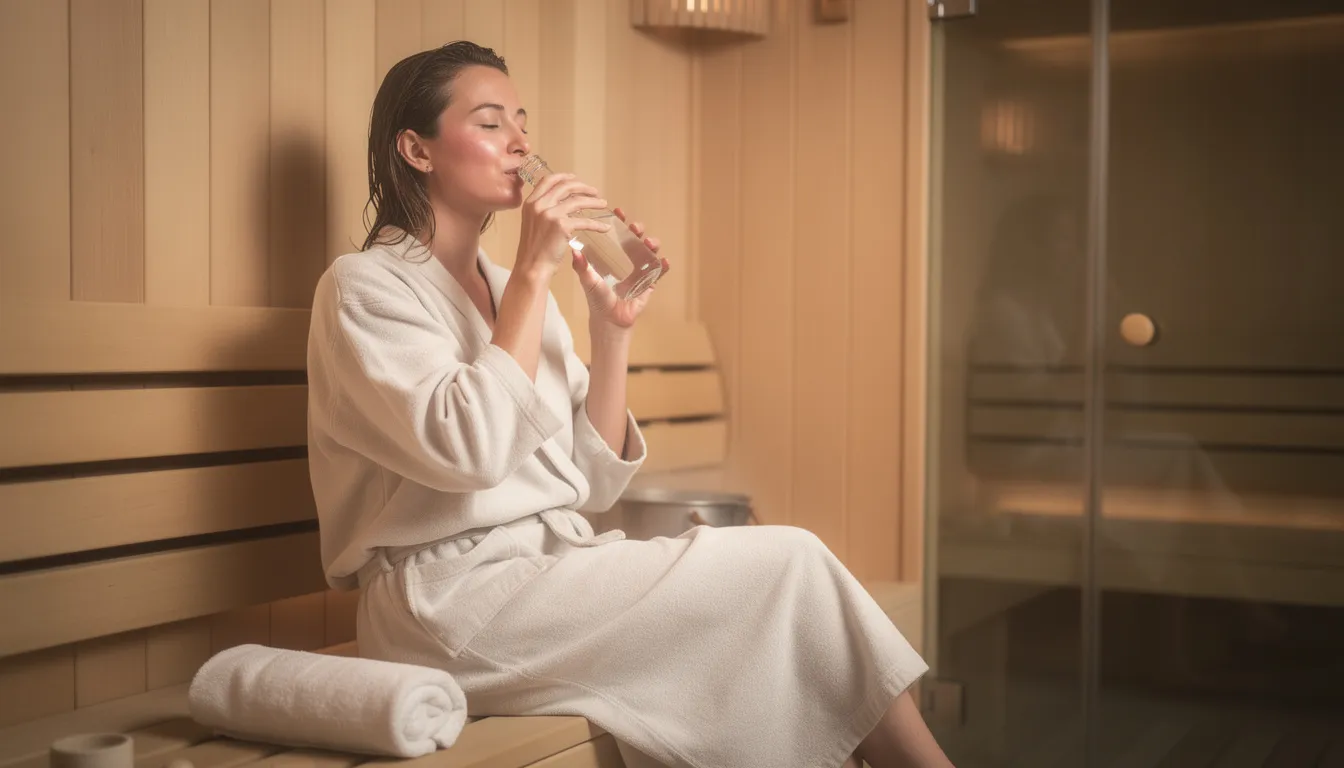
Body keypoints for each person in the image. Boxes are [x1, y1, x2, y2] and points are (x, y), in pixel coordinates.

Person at [305, 41, 954, 768]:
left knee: (784, 594)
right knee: (789, 567)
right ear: (417, 150)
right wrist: (531, 273)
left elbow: (597, 478)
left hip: (550, 574)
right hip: (446, 606)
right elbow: (471, 451)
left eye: (522, 120)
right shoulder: (364, 288)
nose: (521, 141)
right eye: (491, 123)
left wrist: (611, 335)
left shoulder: (513, 286)